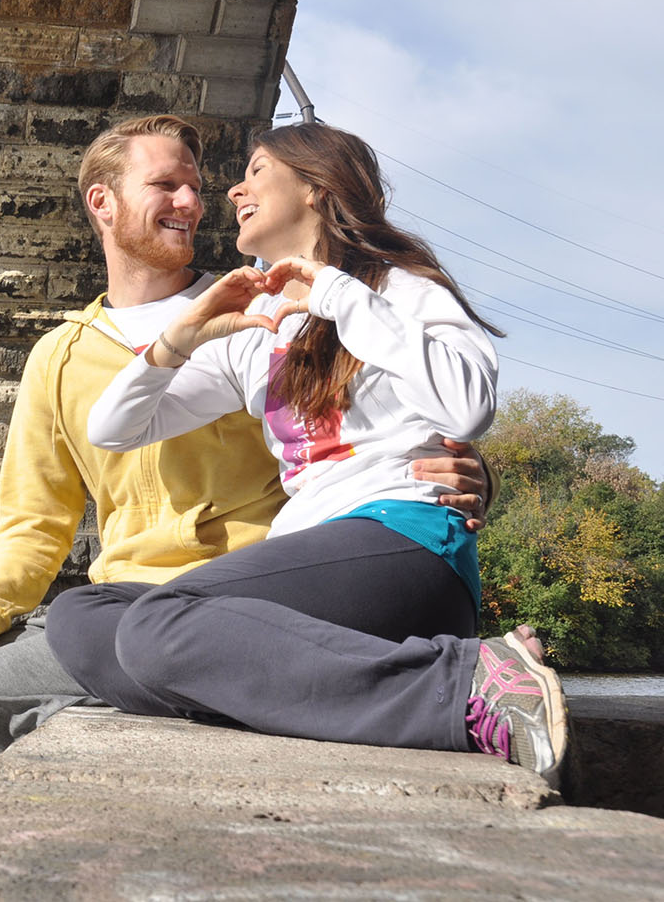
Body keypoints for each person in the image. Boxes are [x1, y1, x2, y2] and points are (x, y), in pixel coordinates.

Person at [0, 115, 496, 854]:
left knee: (11, 684)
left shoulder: (301, 303)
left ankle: (461, 692)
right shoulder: (103, 349)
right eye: (166, 185)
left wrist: (475, 471)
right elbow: (42, 512)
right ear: (101, 202)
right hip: (138, 603)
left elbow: (428, 419)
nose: (199, 200)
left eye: (198, 186)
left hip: (278, 580)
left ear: (316, 192)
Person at [44, 122, 565, 787]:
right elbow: (114, 427)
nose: (233, 189)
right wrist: (181, 334)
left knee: (157, 625)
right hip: (312, 575)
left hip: (406, 546)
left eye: (257, 171)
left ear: (316, 188)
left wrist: (337, 295)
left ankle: (466, 685)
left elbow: (468, 406)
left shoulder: (402, 292)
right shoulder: (257, 331)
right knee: (83, 617)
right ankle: (290, 696)